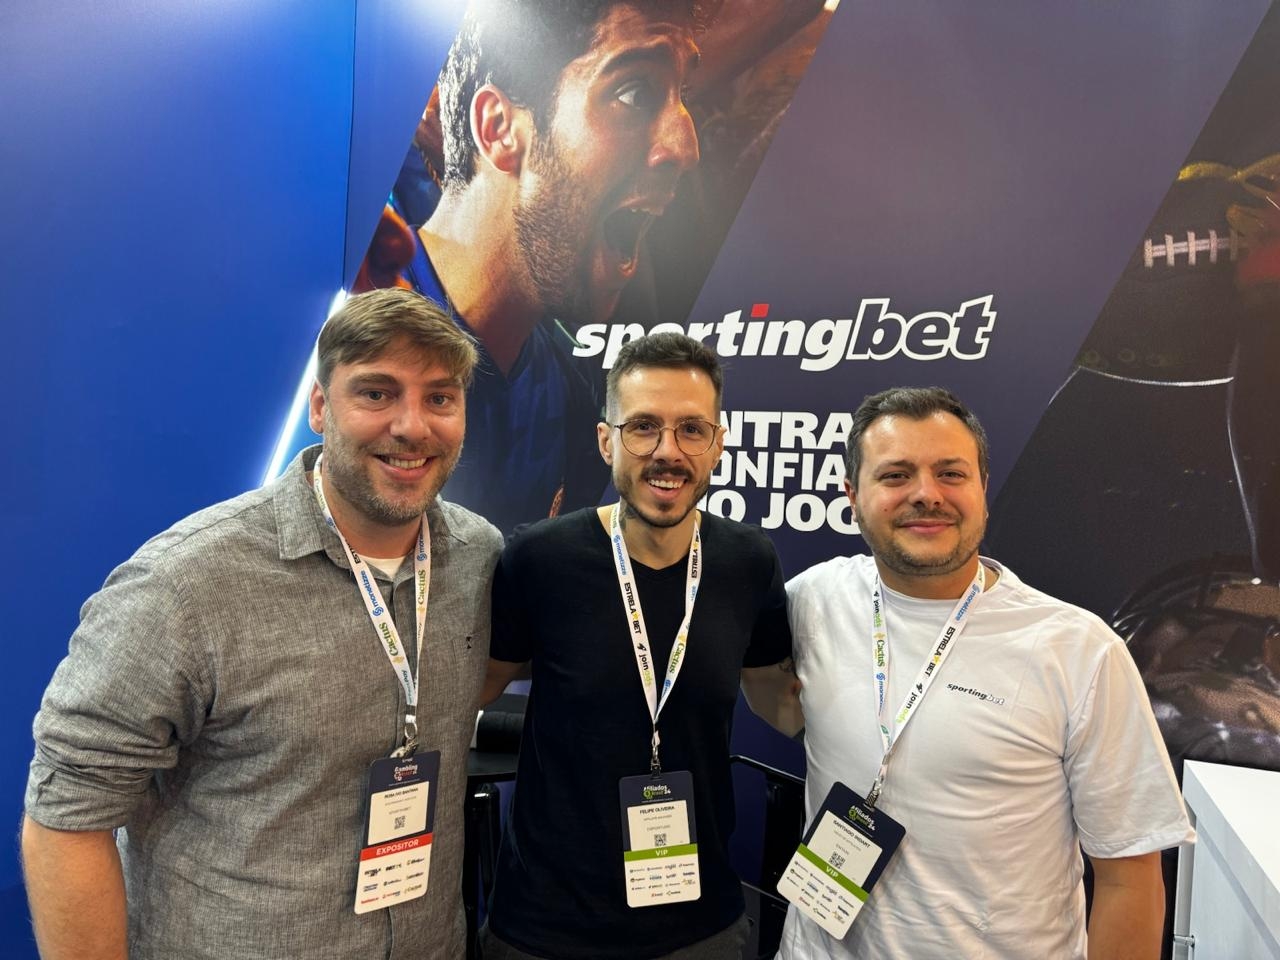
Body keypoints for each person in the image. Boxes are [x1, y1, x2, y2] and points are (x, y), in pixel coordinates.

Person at [22, 288, 503, 960]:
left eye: (440, 398)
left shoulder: (479, 557)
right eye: (376, 393)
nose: (412, 426)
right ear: (319, 406)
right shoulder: (186, 584)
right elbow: (67, 817)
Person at [771, 386, 1194, 960]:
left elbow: (1129, 878)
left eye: (951, 474)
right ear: (852, 496)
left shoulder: (1077, 650)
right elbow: (771, 696)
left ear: (982, 489)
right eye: (895, 475)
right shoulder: (813, 598)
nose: (927, 494)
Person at [479, 332, 798, 960]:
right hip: (544, 927)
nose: (667, 452)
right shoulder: (539, 558)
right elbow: (474, 689)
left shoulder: (747, 562)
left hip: (698, 928)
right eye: (643, 427)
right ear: (606, 441)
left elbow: (779, 701)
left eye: (691, 430)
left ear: (718, 444)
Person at [393, 0, 705, 532]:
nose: (685, 146)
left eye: (684, 96)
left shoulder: (571, 391)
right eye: (634, 93)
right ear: (497, 129)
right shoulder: (348, 329)